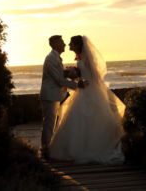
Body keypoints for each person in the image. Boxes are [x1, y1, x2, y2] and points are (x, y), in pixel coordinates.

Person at [49, 35, 125, 164]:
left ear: (77, 45)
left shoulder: (87, 59)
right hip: (82, 90)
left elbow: (95, 76)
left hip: (88, 90)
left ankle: (87, 148)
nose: (68, 45)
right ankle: (80, 147)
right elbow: (82, 74)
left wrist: (80, 77)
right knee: (79, 118)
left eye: (71, 43)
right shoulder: (80, 58)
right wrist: (75, 74)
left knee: (87, 118)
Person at [39, 35, 86, 159]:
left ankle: (48, 148)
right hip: (50, 95)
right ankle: (45, 149)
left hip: (54, 95)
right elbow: (59, 79)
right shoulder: (51, 59)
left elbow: (59, 75)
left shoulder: (55, 58)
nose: (65, 44)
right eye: (62, 42)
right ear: (55, 44)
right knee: (49, 123)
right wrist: (77, 85)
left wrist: (68, 73)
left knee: (52, 122)